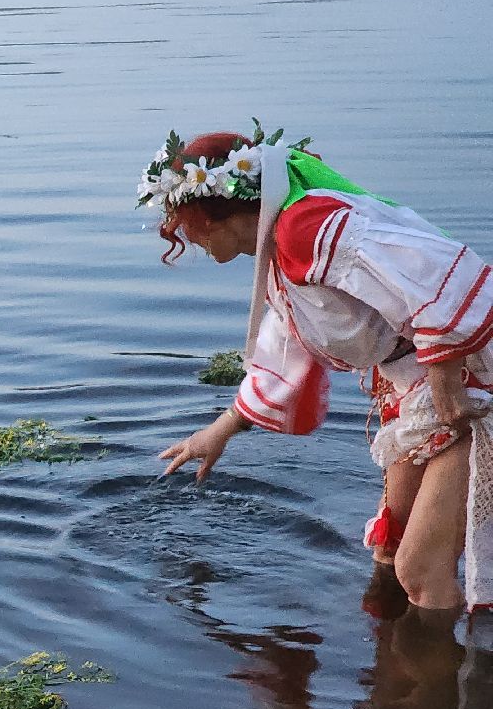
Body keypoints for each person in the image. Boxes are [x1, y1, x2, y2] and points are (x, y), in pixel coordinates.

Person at [141, 123, 493, 613]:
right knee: (387, 551)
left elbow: (443, 275)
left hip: (471, 382)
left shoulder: (308, 227)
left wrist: (448, 390)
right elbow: (286, 344)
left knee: (420, 570)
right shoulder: (280, 253)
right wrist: (220, 430)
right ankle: (390, 676)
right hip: (415, 388)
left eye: (184, 223)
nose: (186, 239)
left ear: (209, 216)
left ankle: (444, 682)